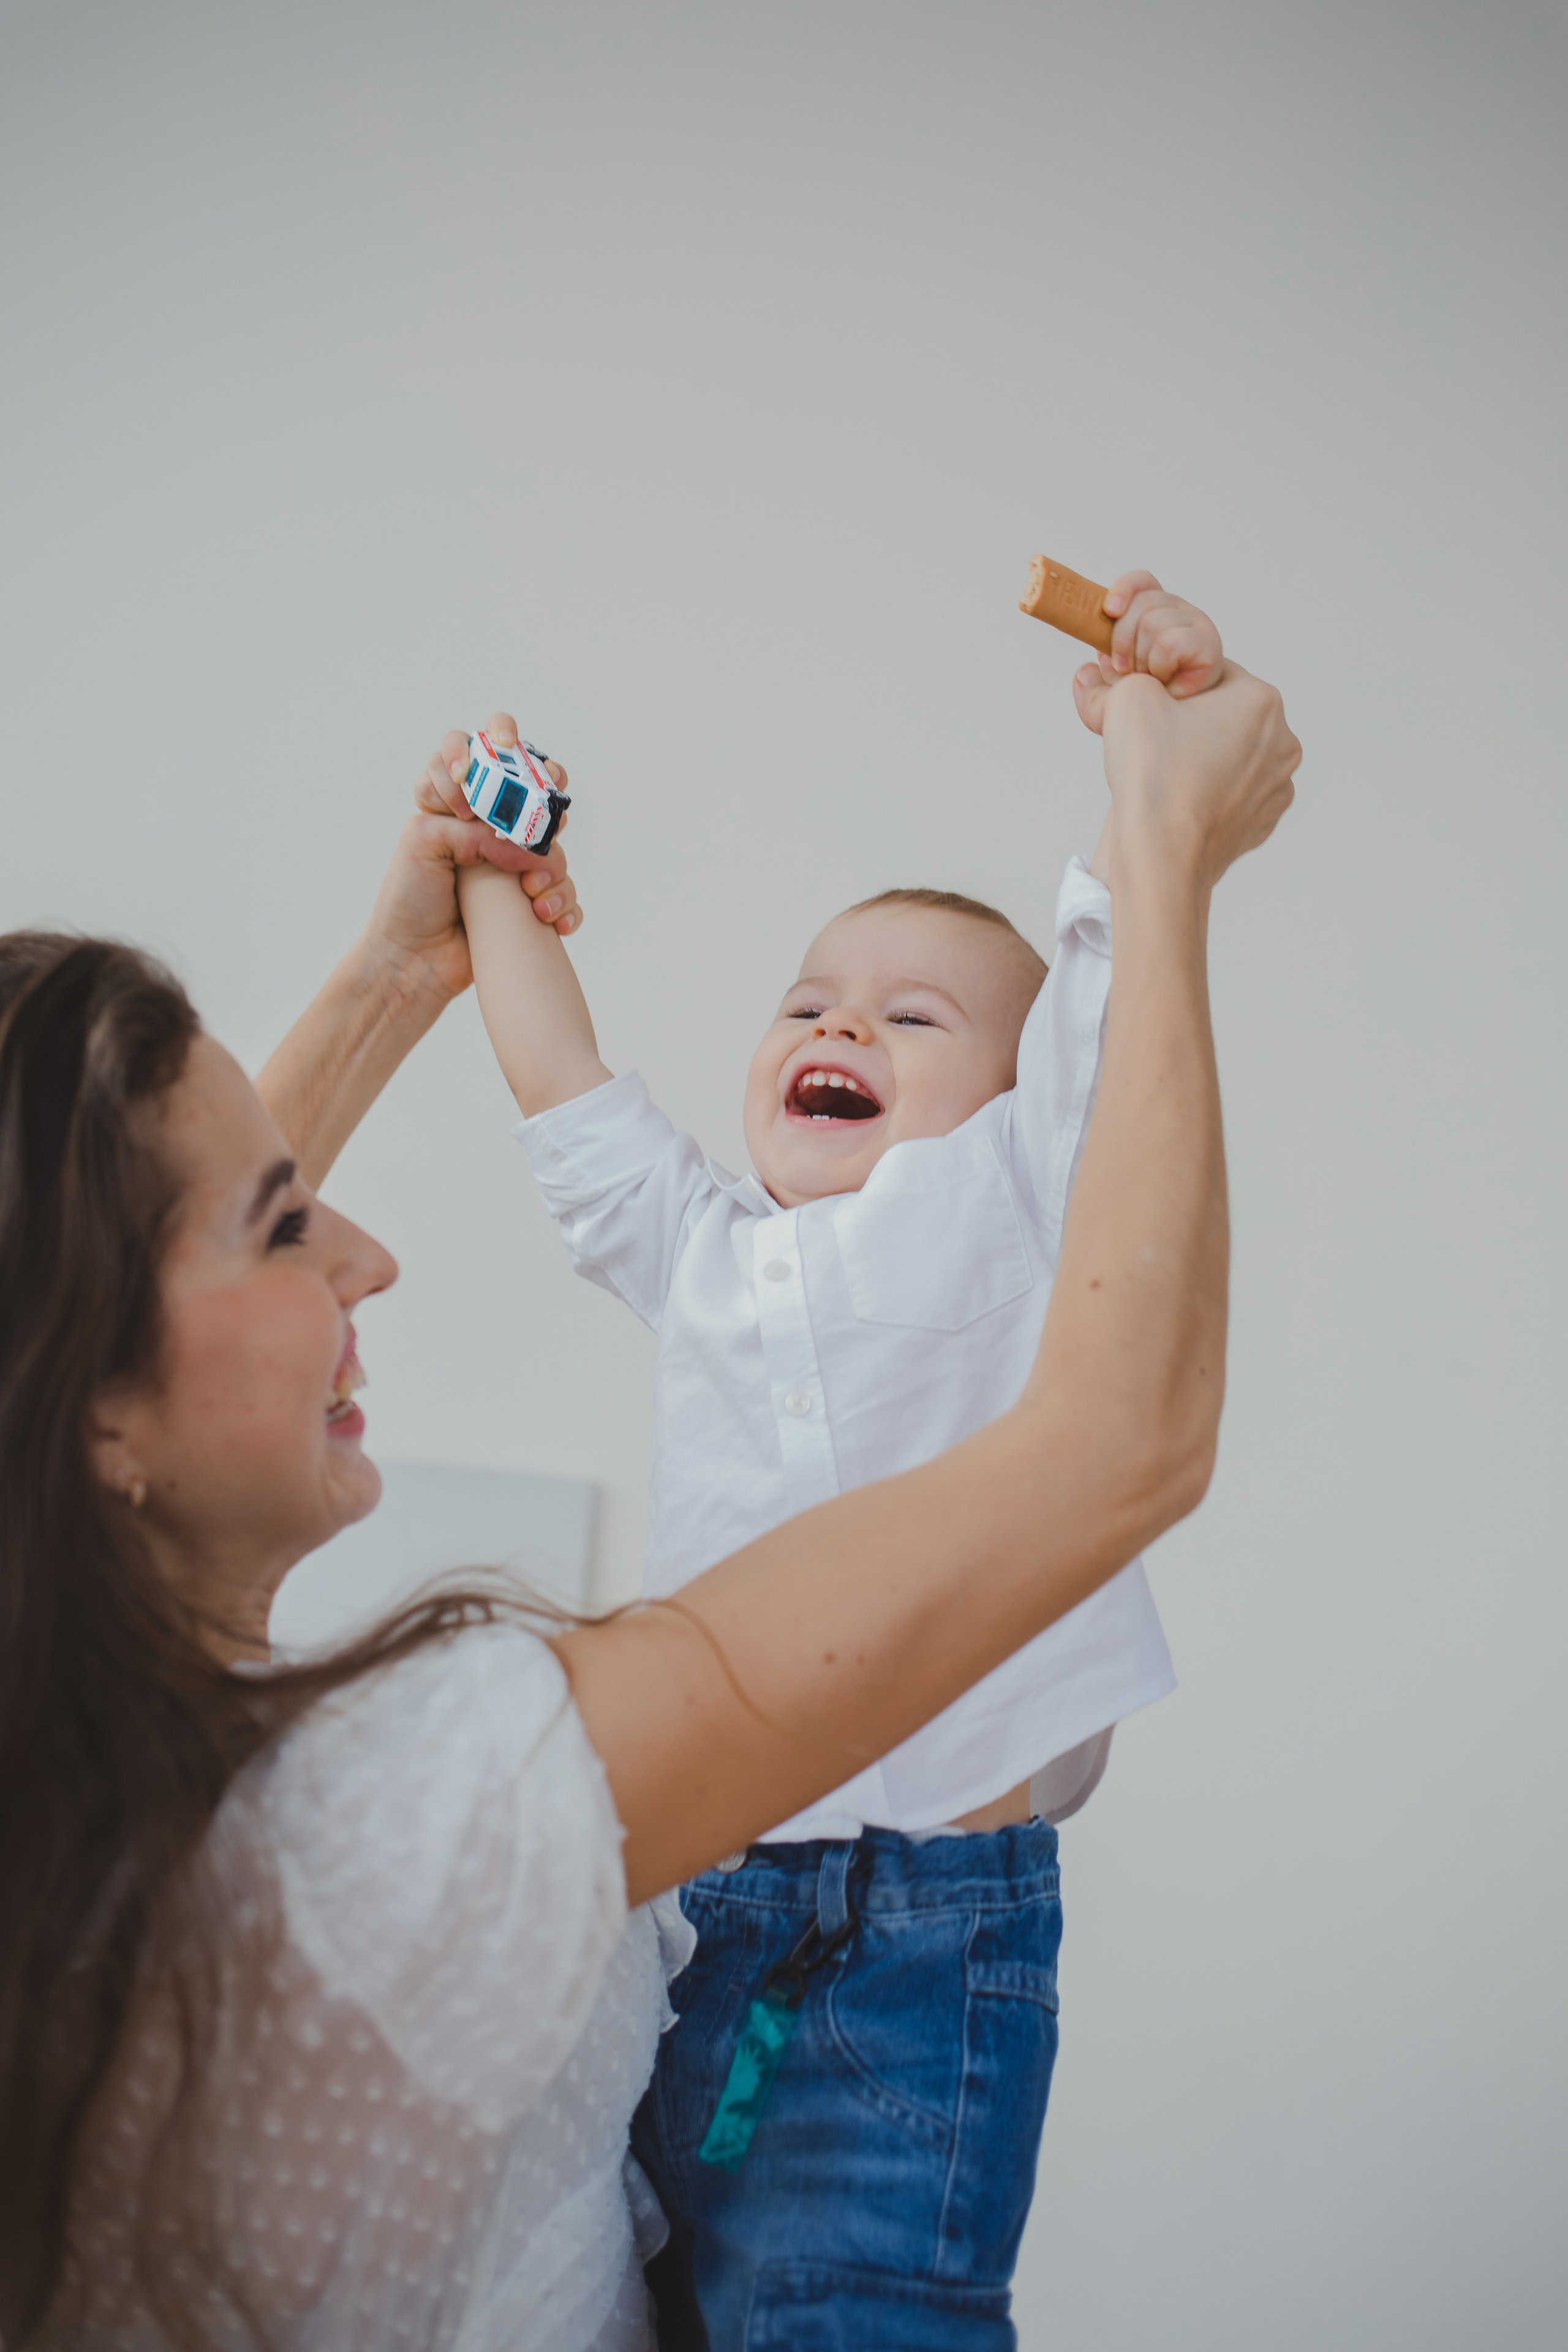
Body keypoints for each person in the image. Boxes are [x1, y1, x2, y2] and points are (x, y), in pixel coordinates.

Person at [0, 652, 1297, 2351]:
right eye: (284, 1225)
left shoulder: (76, 1828)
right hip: (756, 1898)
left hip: (900, 1907)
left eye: (912, 1018)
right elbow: (1120, 1439)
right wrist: (1167, 834)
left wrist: (428, 946)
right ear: (92, 1417)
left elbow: (85, 1307)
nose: (369, 1253)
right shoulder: (396, 1816)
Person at [443, 573, 1229, 2336]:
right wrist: (492, 875)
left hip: (922, 1918)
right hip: (702, 1899)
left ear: (1018, 1102)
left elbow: (1112, 1001)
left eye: (912, 1018)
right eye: (807, 1000)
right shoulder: (705, 1253)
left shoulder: (1016, 1195)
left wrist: (1148, 747)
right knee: (667, 2304)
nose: (838, 1028)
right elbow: (564, 1087)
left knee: (852, 2308)